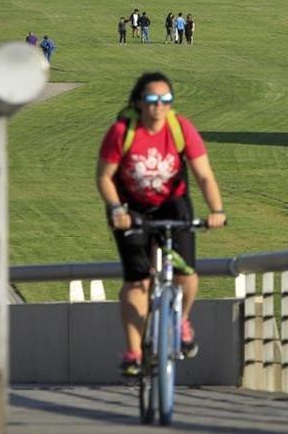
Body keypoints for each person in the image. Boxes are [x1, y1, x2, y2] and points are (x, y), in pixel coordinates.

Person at [96, 72, 226, 375]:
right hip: (130, 206)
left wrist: (216, 210)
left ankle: (181, 321)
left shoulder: (181, 129)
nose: (158, 106)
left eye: (165, 100)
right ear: (140, 103)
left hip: (172, 202)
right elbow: (104, 176)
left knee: (187, 272)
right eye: (152, 100)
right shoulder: (122, 131)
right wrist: (116, 209)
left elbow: (204, 175)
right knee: (137, 280)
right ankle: (133, 352)